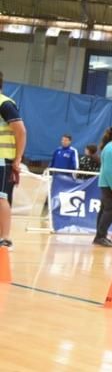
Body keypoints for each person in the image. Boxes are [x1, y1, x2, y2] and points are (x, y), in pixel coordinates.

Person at [0, 72, 27, 249]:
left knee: (1, 198)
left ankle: (5, 238)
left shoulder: (5, 104)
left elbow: (21, 131)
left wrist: (18, 158)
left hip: (2, 160)